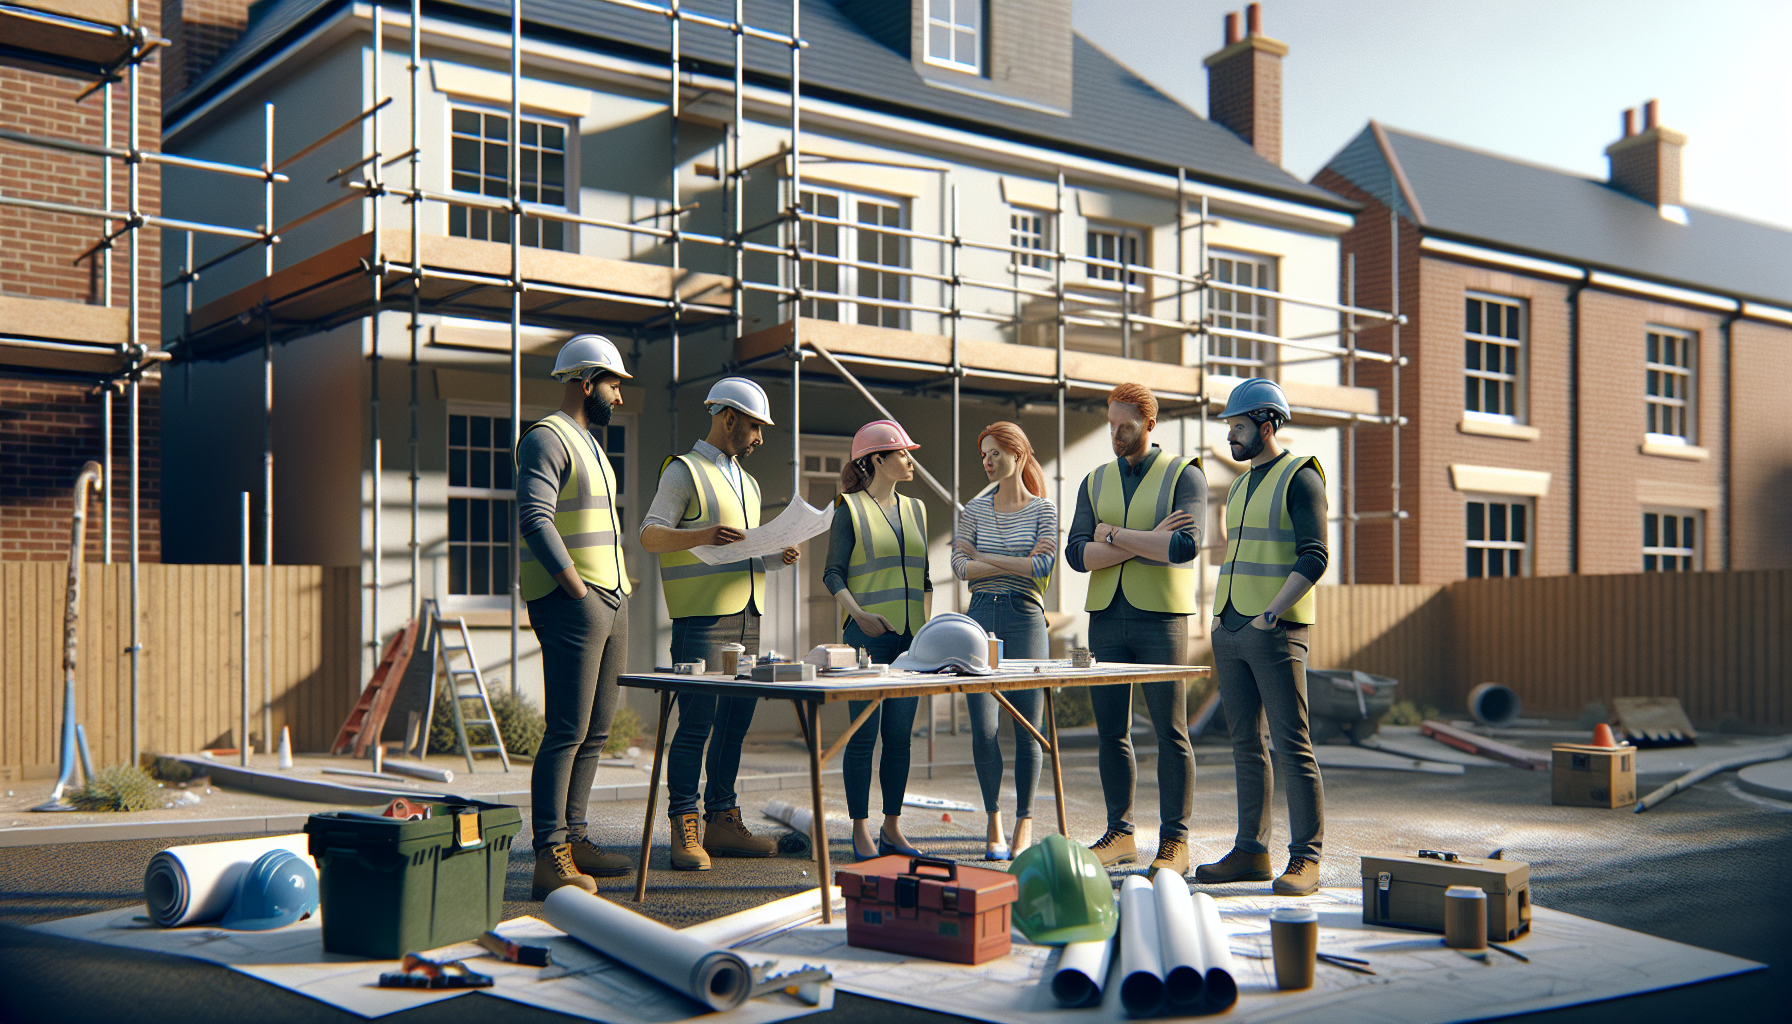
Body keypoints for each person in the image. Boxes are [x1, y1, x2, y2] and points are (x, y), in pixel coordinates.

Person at [639, 377, 800, 871]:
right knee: (696, 726)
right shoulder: (683, 471)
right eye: (754, 426)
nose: (760, 438)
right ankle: (684, 823)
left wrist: (776, 556)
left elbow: (739, 551)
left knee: (734, 725)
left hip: (748, 615)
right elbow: (649, 535)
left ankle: (722, 819)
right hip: (702, 620)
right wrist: (702, 534)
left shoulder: (748, 482)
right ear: (728, 418)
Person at [1193, 378, 1329, 897]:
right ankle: (1252, 851)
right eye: (1229, 426)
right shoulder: (1241, 485)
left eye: (1238, 426)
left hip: (1274, 630)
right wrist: (1222, 621)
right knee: (1245, 745)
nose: (1230, 434)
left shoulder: (1301, 475)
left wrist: (1271, 614)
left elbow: (1315, 556)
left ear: (1266, 425)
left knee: (1292, 744)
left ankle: (1306, 858)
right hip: (1230, 627)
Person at [1065, 382, 1205, 877]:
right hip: (1105, 617)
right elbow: (1076, 554)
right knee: (1111, 733)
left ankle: (1174, 843)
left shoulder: (1185, 475)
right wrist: (1145, 541)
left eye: (1124, 426)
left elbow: (1184, 547)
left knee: (1171, 732)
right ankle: (1119, 835)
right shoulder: (1094, 480)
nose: (1115, 434)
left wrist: (1112, 535)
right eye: (1110, 425)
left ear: (1149, 423)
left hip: (1161, 619)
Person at [516, 334, 636, 899]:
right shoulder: (547, 437)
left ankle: (575, 836)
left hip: (612, 596)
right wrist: (576, 588)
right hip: (575, 601)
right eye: (613, 385)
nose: (619, 396)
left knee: (597, 728)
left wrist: (612, 591)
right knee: (567, 729)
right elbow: (534, 518)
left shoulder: (592, 445)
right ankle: (550, 854)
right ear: (586, 383)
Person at [824, 419, 932, 861]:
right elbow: (832, 574)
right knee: (863, 737)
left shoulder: (917, 509)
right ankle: (859, 829)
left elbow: (925, 578)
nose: (909, 460)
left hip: (912, 643)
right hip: (865, 639)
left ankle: (891, 827)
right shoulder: (849, 508)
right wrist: (860, 616)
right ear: (875, 460)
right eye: (901, 453)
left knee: (900, 737)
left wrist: (926, 631)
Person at [951, 421, 1056, 860]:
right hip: (979, 618)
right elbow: (960, 566)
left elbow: (1042, 566)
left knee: (1029, 727)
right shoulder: (974, 511)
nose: (988, 462)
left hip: (1025, 617)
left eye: (996, 453)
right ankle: (993, 817)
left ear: (1018, 454)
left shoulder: (1044, 510)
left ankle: (1024, 820)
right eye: (984, 455)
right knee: (984, 728)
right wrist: (1013, 561)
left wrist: (986, 558)